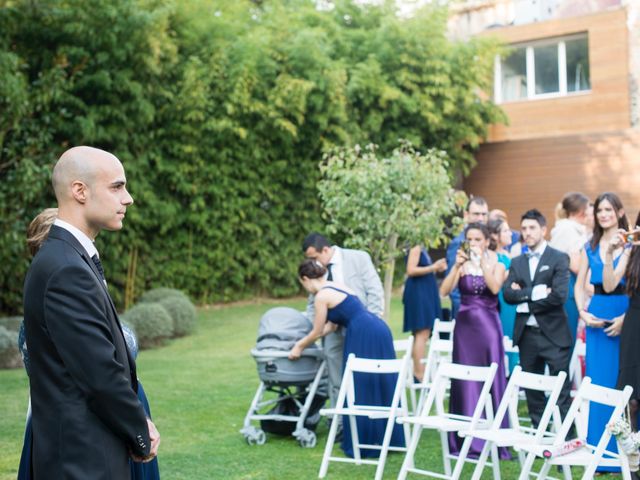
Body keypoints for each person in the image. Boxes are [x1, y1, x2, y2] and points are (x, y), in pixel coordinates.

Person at [23, 146, 159, 479]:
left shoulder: (69, 258)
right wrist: (139, 429)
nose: (127, 198)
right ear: (79, 191)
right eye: (117, 187)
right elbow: (99, 374)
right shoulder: (65, 268)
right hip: (81, 462)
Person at [289, 259, 403, 458]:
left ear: (306, 279)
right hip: (376, 327)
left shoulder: (321, 296)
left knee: (359, 384)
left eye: (303, 284)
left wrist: (299, 346)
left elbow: (317, 331)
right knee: (379, 381)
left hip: (362, 333)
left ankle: (367, 441)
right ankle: (383, 438)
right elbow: (331, 327)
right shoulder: (333, 286)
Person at [439, 222, 510, 459]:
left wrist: (481, 262)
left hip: (489, 325)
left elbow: (495, 287)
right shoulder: (462, 264)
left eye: (478, 239)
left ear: (487, 241)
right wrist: (456, 267)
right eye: (469, 239)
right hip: (464, 325)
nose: (473, 243)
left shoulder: (498, 262)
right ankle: (466, 437)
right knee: (465, 379)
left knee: (491, 377)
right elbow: (444, 291)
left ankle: (495, 438)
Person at [503, 209, 573, 429]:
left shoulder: (559, 258)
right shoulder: (516, 262)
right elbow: (507, 295)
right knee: (532, 392)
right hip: (527, 336)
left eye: (532, 228)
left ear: (543, 229)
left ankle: (567, 440)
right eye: (523, 228)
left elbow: (559, 296)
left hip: (554, 336)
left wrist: (523, 295)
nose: (527, 232)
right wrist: (539, 291)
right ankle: (538, 438)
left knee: (561, 391)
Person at [575, 192, 630, 472]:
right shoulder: (590, 245)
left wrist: (627, 318)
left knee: (623, 385)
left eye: (609, 209)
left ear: (620, 212)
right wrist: (583, 313)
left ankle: (625, 454)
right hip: (596, 314)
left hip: (625, 312)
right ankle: (599, 454)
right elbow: (578, 284)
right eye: (599, 210)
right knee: (597, 384)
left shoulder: (630, 244)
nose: (604, 214)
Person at [302, 233, 384, 412]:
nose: (313, 263)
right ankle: (339, 422)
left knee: (363, 375)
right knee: (336, 377)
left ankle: (365, 415)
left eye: (314, 258)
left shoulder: (358, 258)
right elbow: (312, 305)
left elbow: (375, 291)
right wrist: (316, 327)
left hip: (361, 328)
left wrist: (371, 322)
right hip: (332, 331)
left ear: (325, 250)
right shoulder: (316, 274)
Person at [609, 214, 640, 433]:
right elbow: (610, 285)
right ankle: (632, 460)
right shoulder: (633, 249)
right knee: (630, 399)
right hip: (635, 325)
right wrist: (616, 251)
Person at [549, 192, 590, 343]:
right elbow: (576, 265)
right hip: (568, 287)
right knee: (568, 336)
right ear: (581, 211)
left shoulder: (568, 228)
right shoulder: (569, 230)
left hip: (570, 285)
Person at [402, 245, 446, 382]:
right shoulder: (415, 247)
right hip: (419, 293)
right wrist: (433, 267)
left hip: (424, 291)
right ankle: (419, 374)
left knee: (422, 333)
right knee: (422, 332)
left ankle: (416, 371)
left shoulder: (422, 247)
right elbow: (411, 270)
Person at [445, 197, 489, 319]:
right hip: (466, 311)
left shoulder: (489, 241)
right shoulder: (460, 242)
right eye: (476, 214)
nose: (480, 218)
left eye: (484, 214)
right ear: (466, 215)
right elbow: (452, 285)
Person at [488, 217, 518, 374]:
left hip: (513, 302)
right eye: (506, 230)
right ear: (494, 235)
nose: (510, 233)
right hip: (500, 302)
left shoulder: (508, 253)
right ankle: (501, 374)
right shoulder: (492, 256)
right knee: (504, 336)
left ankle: (514, 374)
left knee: (514, 337)